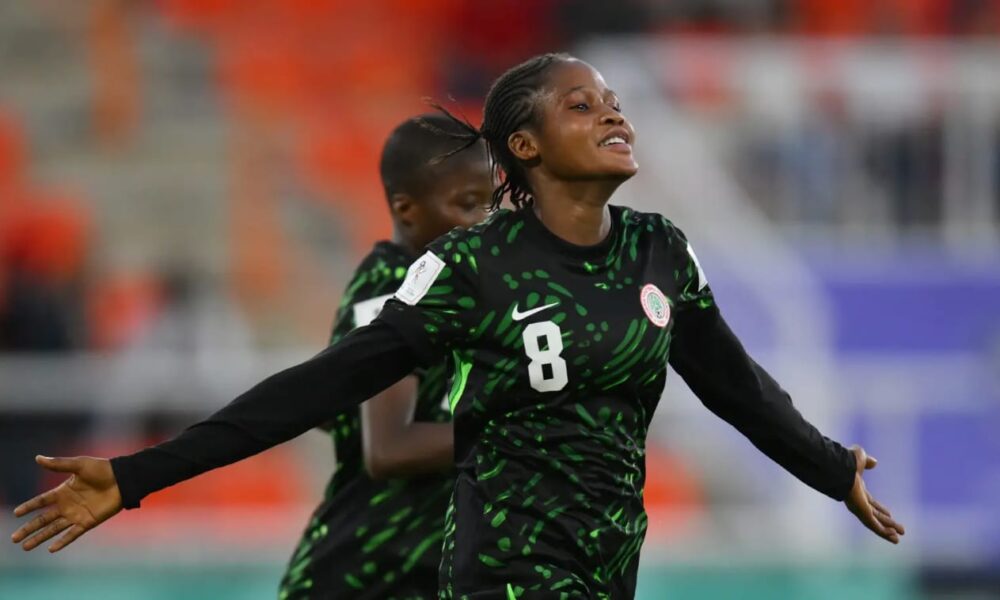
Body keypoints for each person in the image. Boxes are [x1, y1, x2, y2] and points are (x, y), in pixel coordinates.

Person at [11, 53, 904, 600]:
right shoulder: (475, 266)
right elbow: (325, 383)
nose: (613, 113)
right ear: (525, 146)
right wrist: (138, 475)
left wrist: (831, 470)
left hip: (608, 564)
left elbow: (736, 386)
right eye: (581, 105)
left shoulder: (659, 249)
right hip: (507, 567)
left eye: (612, 100)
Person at [278, 114, 491, 599]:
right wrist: (512, 436)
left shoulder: (452, 289)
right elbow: (389, 447)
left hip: (423, 569)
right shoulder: (391, 287)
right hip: (362, 574)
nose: (485, 220)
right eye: (468, 204)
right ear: (407, 209)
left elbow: (332, 411)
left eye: (492, 204)